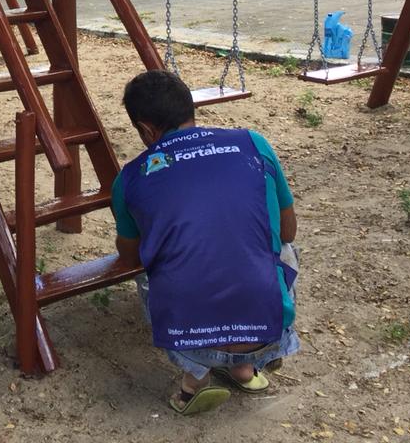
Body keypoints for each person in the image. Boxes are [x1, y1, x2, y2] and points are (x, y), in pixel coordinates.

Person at [111, 69, 299, 416]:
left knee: (146, 267)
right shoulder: (253, 143)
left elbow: (130, 255)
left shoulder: (130, 178)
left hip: (191, 337)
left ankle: (193, 383)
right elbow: (288, 232)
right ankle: (244, 367)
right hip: (266, 329)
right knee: (282, 250)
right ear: (190, 110)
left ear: (147, 129)